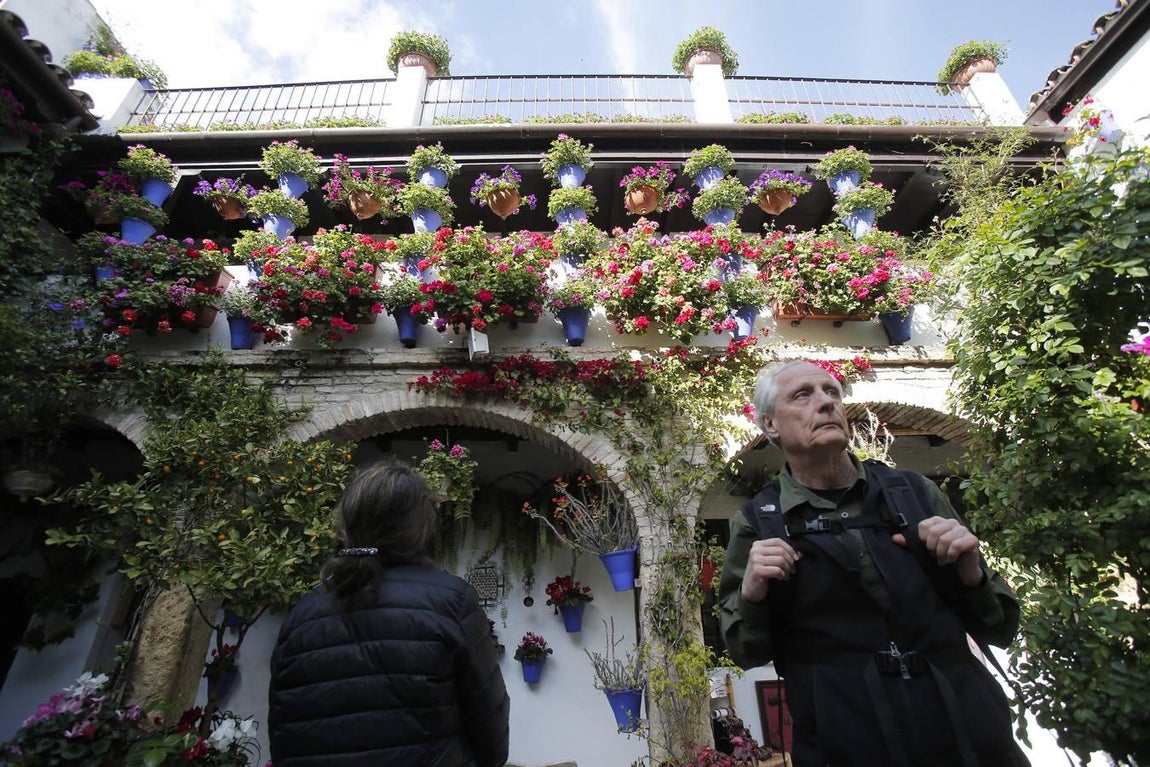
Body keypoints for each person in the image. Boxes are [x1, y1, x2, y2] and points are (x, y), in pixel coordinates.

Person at [718, 360, 1028, 767]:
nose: (826, 403)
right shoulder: (761, 521)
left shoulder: (914, 493)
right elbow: (746, 652)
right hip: (845, 738)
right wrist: (753, 593)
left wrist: (970, 572)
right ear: (771, 425)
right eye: (803, 395)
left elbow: (1001, 627)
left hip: (965, 730)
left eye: (831, 392)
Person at [268, 460, 509, 767]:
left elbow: (282, 732)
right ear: (420, 526)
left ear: (347, 521)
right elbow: (491, 727)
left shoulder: (303, 614)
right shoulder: (452, 603)